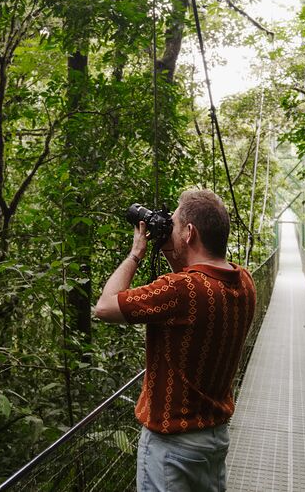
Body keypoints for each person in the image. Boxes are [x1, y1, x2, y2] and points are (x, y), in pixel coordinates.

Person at [94, 188, 256, 492]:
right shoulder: (244, 282)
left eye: (175, 223)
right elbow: (193, 284)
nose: (171, 225)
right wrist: (173, 246)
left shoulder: (181, 291)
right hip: (213, 440)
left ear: (190, 232)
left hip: (171, 447)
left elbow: (105, 306)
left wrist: (136, 253)